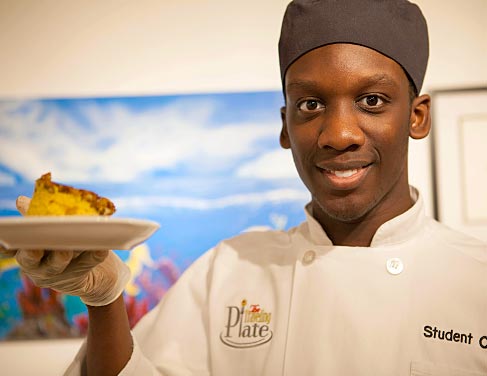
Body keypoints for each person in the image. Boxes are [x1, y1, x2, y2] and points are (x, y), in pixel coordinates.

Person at [6, 0, 487, 374]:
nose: (339, 134)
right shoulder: (230, 269)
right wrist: (105, 298)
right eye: (310, 105)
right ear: (285, 126)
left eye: (372, 99)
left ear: (417, 116)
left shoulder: (477, 282)